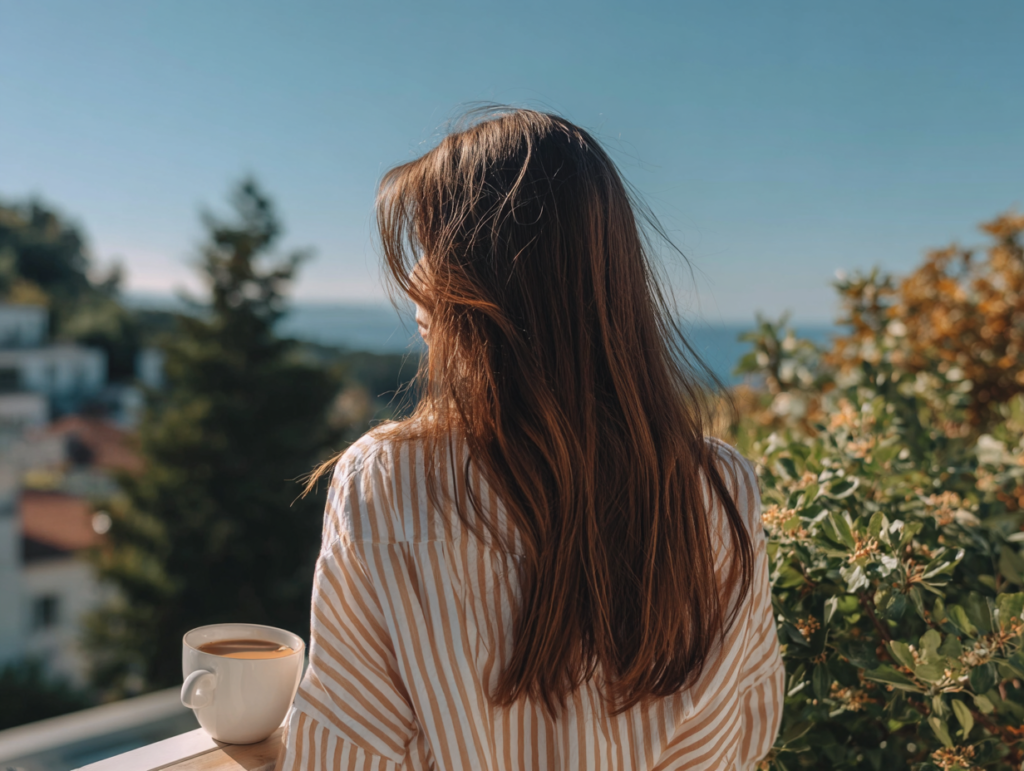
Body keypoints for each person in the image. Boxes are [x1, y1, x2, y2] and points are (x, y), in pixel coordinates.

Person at [278, 108, 783, 770]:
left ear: (490, 287)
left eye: (437, 251)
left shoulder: (387, 483)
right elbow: (743, 731)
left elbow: (341, 755)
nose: (417, 284)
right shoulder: (718, 488)